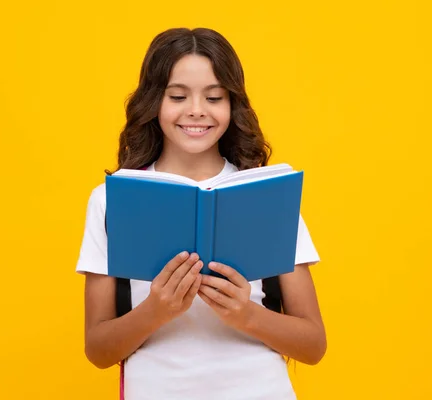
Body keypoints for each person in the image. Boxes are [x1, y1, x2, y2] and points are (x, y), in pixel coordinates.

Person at [76, 27, 326, 400]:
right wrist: (156, 311)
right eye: (178, 96)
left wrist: (246, 314)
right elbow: (98, 350)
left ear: (232, 104)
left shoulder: (266, 195)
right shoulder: (111, 201)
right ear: (153, 102)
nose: (196, 110)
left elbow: (313, 345)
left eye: (214, 97)